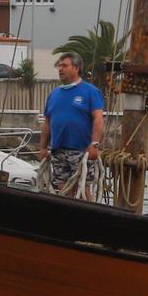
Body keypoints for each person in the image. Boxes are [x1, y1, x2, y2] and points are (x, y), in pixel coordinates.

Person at [41, 54, 105, 196]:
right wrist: (43, 147)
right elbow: (47, 122)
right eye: (59, 66)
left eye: (65, 66)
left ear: (76, 68)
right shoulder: (54, 94)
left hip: (81, 150)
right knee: (63, 188)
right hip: (58, 150)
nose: (60, 69)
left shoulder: (90, 91)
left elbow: (98, 119)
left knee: (83, 187)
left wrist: (95, 144)